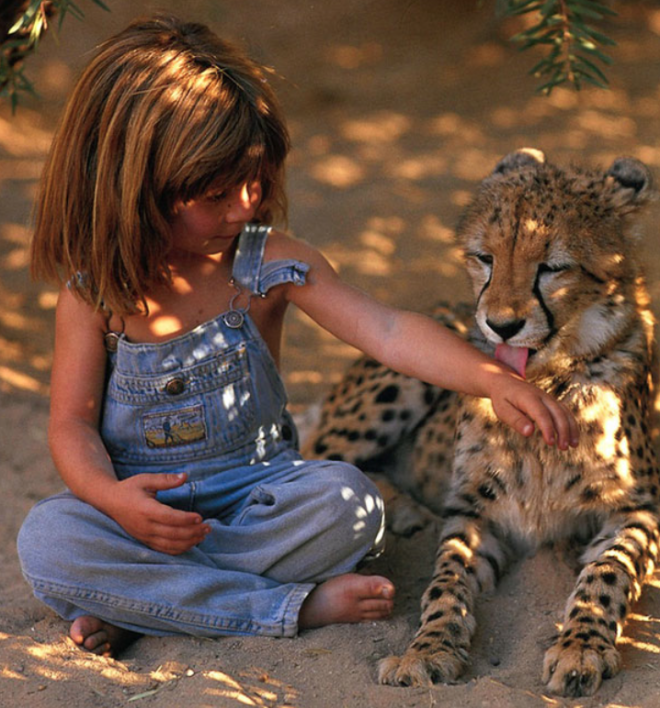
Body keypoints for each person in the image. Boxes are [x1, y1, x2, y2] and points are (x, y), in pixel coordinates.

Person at [17, 14, 579, 658]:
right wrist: (110, 500)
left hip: (260, 498)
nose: (247, 205)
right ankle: (285, 607)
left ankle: (149, 604)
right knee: (49, 537)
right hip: (138, 517)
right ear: (131, 187)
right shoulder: (94, 297)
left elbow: (387, 329)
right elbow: (72, 426)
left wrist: (488, 377)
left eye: (256, 180)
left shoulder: (269, 263)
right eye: (217, 192)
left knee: (351, 504)